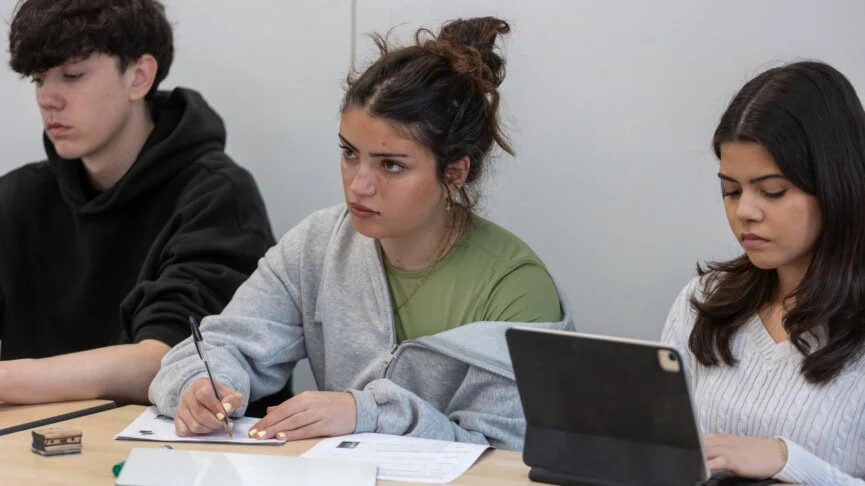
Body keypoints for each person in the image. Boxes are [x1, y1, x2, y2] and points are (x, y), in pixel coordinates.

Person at [149, 16, 571, 451]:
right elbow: (218, 345)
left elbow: (508, 456)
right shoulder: (318, 245)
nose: (359, 184)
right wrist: (201, 385)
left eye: (391, 165)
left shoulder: (516, 289)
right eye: (350, 154)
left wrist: (365, 413)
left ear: (455, 173)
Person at [0, 0, 274, 405]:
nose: (48, 99)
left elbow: (168, 360)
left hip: (175, 453)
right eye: (39, 80)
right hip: (35, 452)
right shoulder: (17, 197)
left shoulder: (217, 197)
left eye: (72, 75)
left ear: (139, 77)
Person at [663, 61, 865, 483]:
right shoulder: (703, 300)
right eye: (730, 191)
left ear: (836, 184)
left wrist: (786, 460)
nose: (744, 213)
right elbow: (659, 449)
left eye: (772, 191)